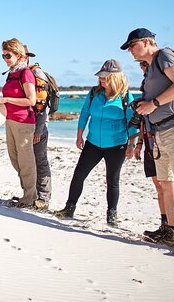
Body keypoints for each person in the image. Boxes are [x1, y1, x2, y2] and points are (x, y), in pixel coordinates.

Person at [122, 28, 174, 257]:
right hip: (160, 131)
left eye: (132, 45)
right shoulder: (151, 69)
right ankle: (172, 231)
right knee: (167, 182)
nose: (130, 50)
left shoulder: (165, 55)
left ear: (147, 41)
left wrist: (154, 104)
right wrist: (145, 104)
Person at [54, 59, 137, 226]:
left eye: (105, 77)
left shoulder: (125, 96)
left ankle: (111, 215)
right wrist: (79, 136)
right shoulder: (94, 93)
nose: (102, 79)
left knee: (112, 179)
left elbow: (132, 122)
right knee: (79, 175)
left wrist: (131, 145)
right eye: (101, 76)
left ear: (116, 78)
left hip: (117, 145)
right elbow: (84, 114)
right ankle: (69, 208)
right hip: (93, 143)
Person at [128, 60, 174, 236]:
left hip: (169, 137)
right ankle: (165, 225)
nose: (144, 68)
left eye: (146, 65)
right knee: (160, 185)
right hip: (150, 142)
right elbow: (144, 121)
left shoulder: (165, 88)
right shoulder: (148, 88)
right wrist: (139, 143)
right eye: (141, 66)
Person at [0, 38, 38, 208]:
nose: (5, 59)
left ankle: (30, 198)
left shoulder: (25, 73)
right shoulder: (12, 73)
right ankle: (26, 194)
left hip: (24, 123)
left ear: (19, 55)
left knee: (26, 161)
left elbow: (31, 100)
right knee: (15, 159)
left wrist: (6, 99)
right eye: (3, 56)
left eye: (8, 55)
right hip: (10, 121)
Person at [24, 46, 52, 210]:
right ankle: (32, 194)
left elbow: (42, 105)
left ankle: (44, 197)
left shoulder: (36, 74)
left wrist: (39, 129)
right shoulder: (21, 74)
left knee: (40, 160)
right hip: (25, 125)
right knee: (29, 161)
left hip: (37, 126)